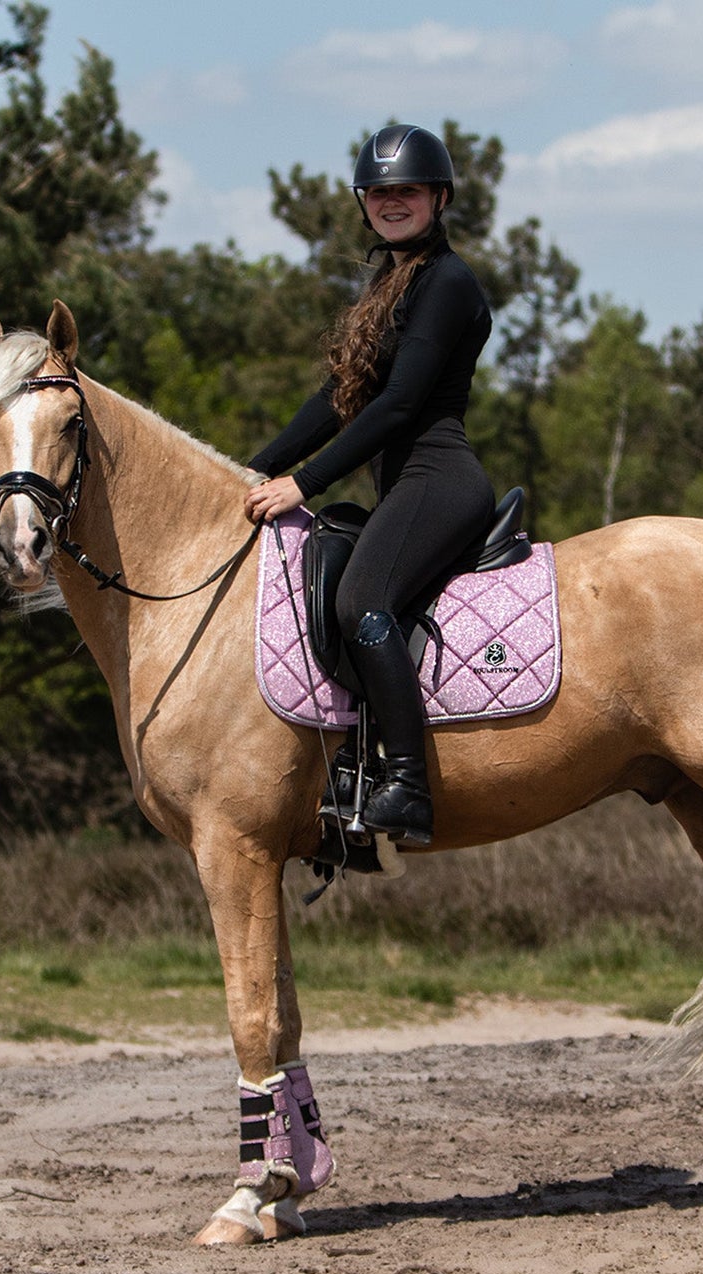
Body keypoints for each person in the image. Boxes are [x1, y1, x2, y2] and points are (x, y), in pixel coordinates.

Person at [243, 123, 496, 846]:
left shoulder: (447, 282)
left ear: (439, 198)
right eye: (380, 192)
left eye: (407, 191)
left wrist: (305, 482)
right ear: (364, 204)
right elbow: (337, 397)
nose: (392, 202)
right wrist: (254, 467)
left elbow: (400, 405)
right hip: (406, 482)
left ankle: (409, 784)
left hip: (439, 476)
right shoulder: (389, 282)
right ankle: (352, 765)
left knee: (362, 598)